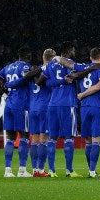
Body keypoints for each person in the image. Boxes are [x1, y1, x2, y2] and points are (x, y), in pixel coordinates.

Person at [41, 41, 100, 178]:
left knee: (52, 138)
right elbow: (76, 75)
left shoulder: (50, 64)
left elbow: (46, 82)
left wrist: (59, 81)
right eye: (73, 50)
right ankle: (69, 170)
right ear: (69, 50)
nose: (74, 52)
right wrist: (92, 68)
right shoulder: (70, 63)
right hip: (67, 104)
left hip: (52, 104)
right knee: (69, 138)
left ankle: (52, 171)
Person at [0, 45, 33, 177]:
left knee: (10, 138)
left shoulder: (8, 67)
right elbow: (25, 78)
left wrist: (3, 94)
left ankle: (7, 171)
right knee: (24, 136)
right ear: (28, 56)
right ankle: (22, 170)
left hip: (8, 104)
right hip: (22, 105)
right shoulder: (26, 66)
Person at [74, 47, 100, 178]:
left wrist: (82, 95)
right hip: (96, 106)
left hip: (84, 107)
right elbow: (99, 86)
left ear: (90, 57)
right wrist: (83, 94)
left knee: (88, 140)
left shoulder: (83, 68)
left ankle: (91, 170)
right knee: (95, 139)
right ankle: (92, 171)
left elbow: (71, 66)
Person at [28, 48, 55, 177]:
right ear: (53, 58)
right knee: (44, 139)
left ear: (43, 57)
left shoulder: (34, 70)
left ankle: (34, 169)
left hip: (33, 107)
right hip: (44, 107)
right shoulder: (50, 70)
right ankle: (41, 169)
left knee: (34, 139)